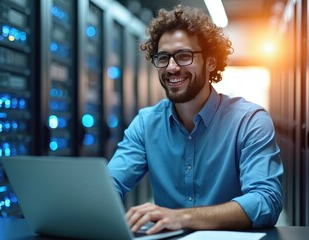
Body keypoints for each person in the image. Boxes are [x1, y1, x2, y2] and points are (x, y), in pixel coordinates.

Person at [106, 4, 283, 235]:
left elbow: (266, 201)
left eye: (183, 56)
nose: (171, 67)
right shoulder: (146, 124)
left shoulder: (249, 121)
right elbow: (111, 184)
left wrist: (183, 217)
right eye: (163, 58)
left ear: (210, 62)